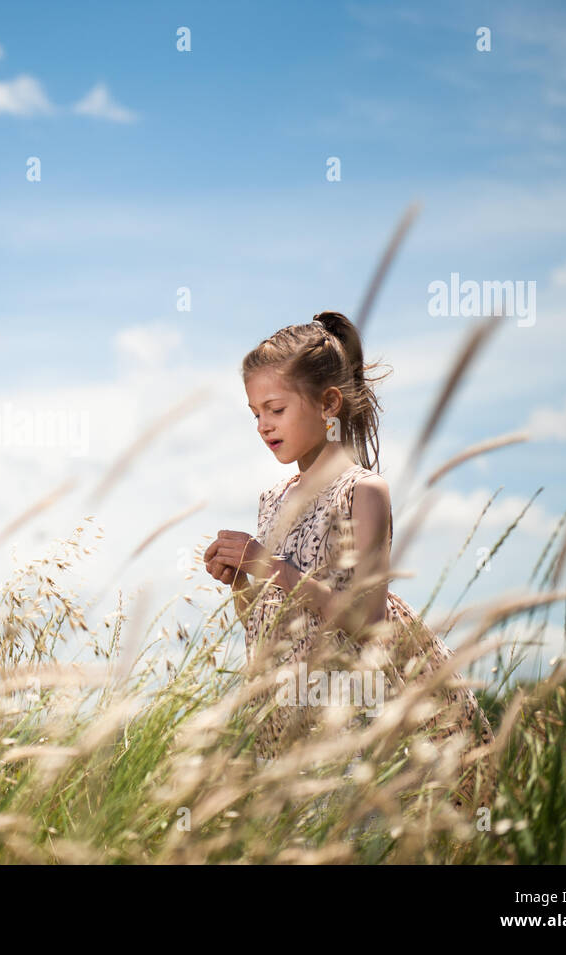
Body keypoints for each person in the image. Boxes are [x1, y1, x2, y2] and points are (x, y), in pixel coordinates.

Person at [202, 310, 496, 811]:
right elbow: (266, 623)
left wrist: (271, 564)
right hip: (292, 712)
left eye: (274, 408)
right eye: (254, 413)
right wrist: (242, 582)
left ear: (328, 404)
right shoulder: (273, 499)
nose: (262, 425)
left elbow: (366, 619)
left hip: (354, 711)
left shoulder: (363, 491)